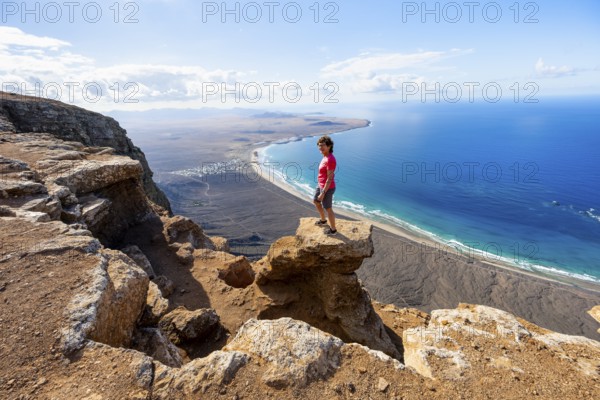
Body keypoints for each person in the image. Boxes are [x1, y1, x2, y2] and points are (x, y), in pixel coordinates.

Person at [313, 135, 337, 235]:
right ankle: (323, 220)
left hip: (327, 187)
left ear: (329, 146)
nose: (320, 148)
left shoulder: (330, 159)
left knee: (328, 208)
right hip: (321, 185)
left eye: (323, 145)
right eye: (319, 146)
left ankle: (333, 230)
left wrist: (323, 193)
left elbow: (330, 178)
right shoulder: (325, 157)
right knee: (316, 201)